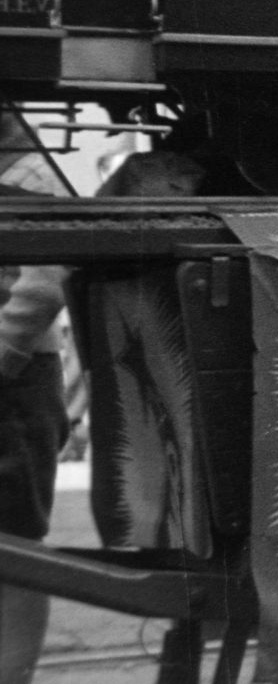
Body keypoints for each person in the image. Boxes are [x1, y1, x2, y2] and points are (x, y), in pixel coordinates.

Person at [0, 112, 70, 684]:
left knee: (17, 545)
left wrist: (3, 355)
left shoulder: (28, 169)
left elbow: (45, 275)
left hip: (16, 378)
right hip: (18, 371)